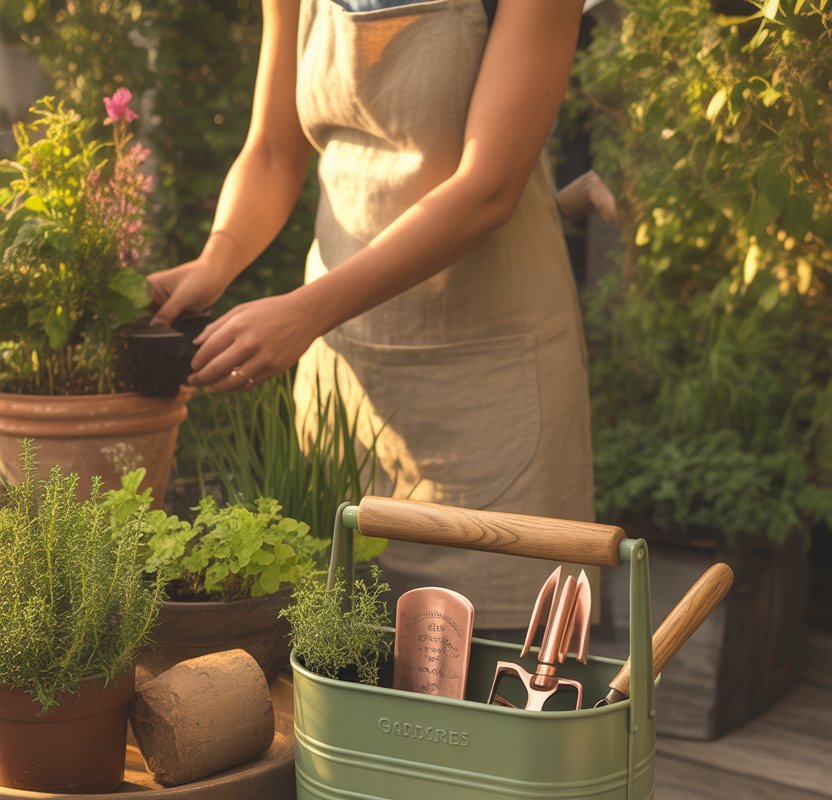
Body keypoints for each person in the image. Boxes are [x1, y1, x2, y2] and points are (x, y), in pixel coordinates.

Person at [149, 0, 613, 630]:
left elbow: (488, 188)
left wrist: (306, 310)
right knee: (337, 666)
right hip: (344, 382)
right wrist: (216, 258)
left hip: (488, 389)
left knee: (496, 674)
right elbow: (274, 150)